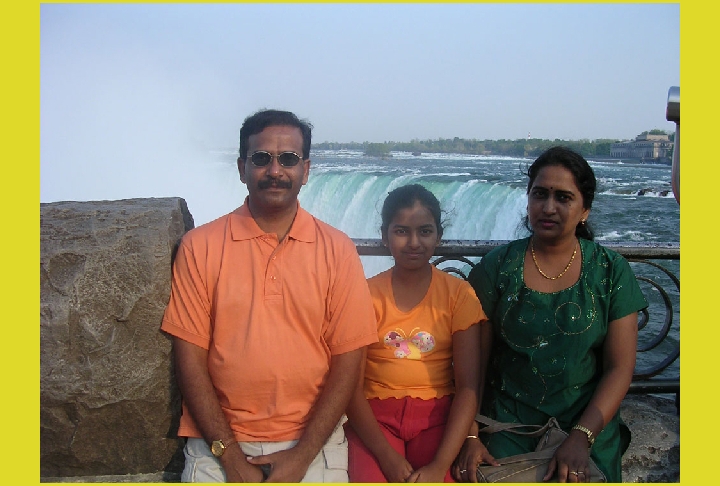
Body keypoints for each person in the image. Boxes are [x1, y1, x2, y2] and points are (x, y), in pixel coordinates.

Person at [161, 109, 378, 483]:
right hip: (217, 446)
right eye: (261, 158)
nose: (275, 170)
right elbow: (190, 360)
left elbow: (348, 361)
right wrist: (230, 459)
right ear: (242, 167)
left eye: (288, 159)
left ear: (305, 170)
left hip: (315, 448)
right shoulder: (200, 247)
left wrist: (302, 455)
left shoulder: (338, 250)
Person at [453, 146, 648, 483]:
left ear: (584, 209)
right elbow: (471, 366)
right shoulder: (497, 268)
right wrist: (469, 435)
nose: (548, 207)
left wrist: (582, 435)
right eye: (539, 194)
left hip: (586, 427)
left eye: (563, 197)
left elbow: (620, 368)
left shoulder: (610, 272)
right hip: (505, 428)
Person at [344, 184, 491, 483]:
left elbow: (467, 388)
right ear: (385, 236)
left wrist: (439, 466)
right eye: (401, 231)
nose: (414, 242)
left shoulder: (458, 294)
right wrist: (386, 456)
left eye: (425, 231)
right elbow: (351, 387)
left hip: (437, 418)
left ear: (438, 235)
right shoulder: (365, 294)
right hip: (375, 419)